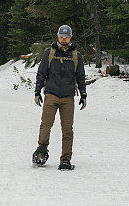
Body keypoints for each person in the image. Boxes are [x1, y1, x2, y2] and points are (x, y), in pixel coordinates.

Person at [32, 25, 87, 170]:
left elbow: (80, 76)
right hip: (51, 94)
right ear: (57, 36)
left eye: (66, 37)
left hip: (68, 97)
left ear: (70, 37)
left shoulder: (76, 55)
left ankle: (66, 159)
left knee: (67, 129)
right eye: (62, 36)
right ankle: (41, 151)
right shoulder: (49, 53)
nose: (64, 39)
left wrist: (83, 94)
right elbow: (41, 73)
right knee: (46, 124)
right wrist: (37, 92)